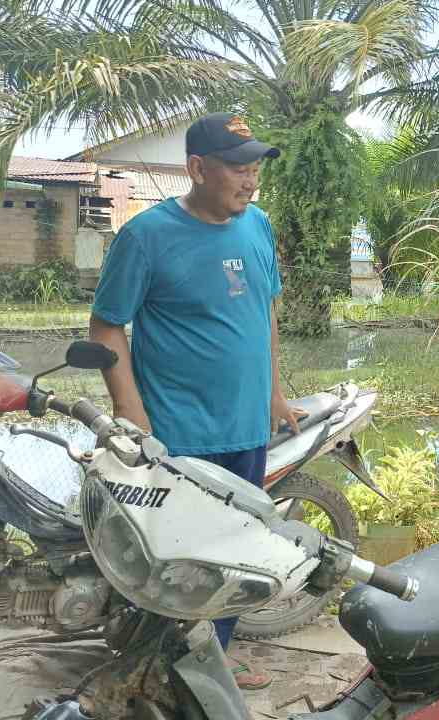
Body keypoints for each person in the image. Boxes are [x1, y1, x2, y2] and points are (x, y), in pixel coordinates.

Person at [88, 112, 301, 691]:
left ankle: (213, 666)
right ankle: (157, 673)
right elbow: (106, 326)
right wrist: (131, 413)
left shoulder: (258, 225)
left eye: (255, 168)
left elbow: (265, 310)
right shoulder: (146, 236)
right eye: (238, 168)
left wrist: (275, 392)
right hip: (179, 437)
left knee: (237, 556)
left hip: (247, 431)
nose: (251, 180)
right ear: (198, 169)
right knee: (176, 565)